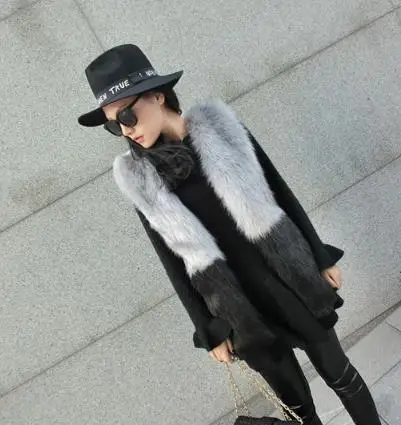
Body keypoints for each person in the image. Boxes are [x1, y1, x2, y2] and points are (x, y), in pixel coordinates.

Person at [78, 44, 382, 425]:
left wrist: (320, 257)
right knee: (299, 410)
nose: (126, 130)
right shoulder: (142, 178)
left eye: (126, 114)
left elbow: (280, 192)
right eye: (114, 125)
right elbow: (174, 264)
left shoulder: (220, 128)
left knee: (341, 375)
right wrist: (208, 330)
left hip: (288, 279)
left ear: (157, 95)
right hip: (238, 309)